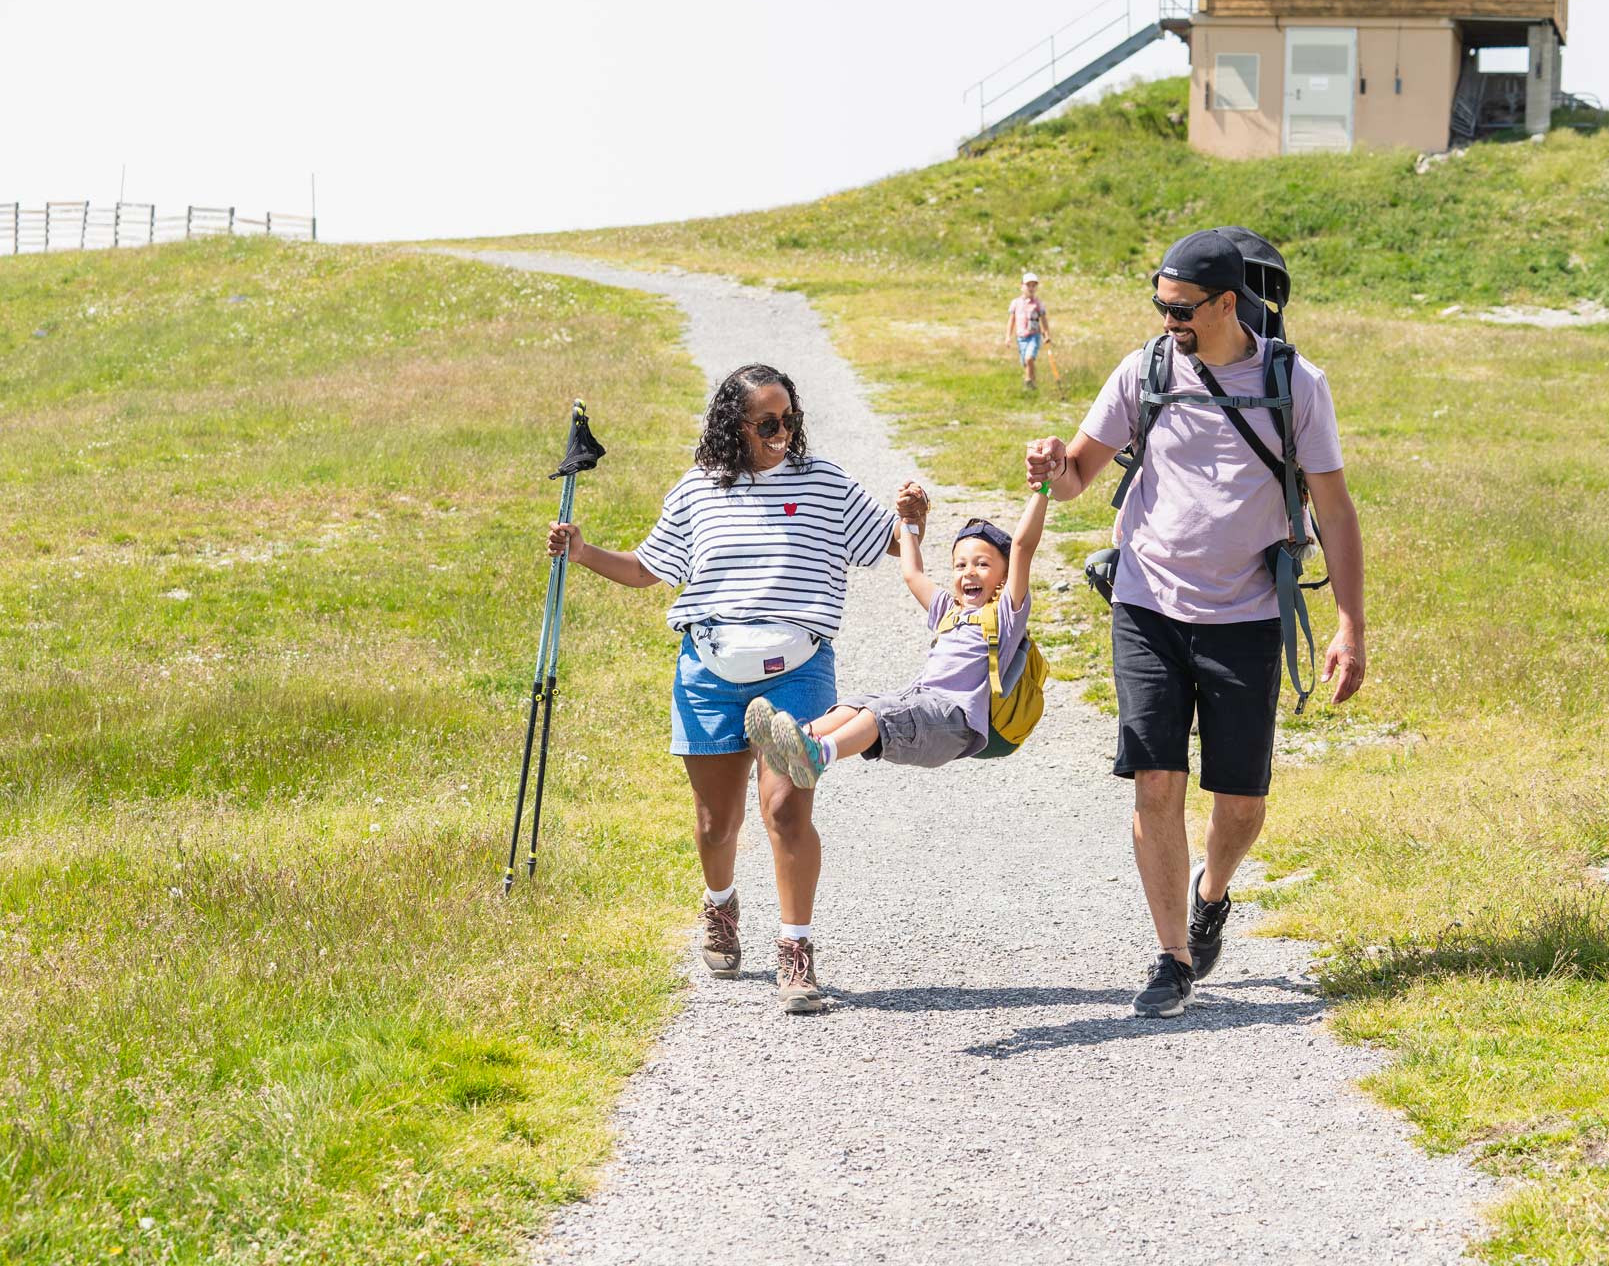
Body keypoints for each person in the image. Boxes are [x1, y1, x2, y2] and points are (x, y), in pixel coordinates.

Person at [1023, 229, 1367, 1019]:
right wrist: (1050, 463)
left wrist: (1350, 626)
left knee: (1241, 802)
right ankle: (1173, 956)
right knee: (1156, 781)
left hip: (1248, 612)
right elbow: (1077, 474)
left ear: (1225, 303)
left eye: (1181, 309)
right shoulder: (1143, 370)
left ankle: (1214, 893)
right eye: (1161, 306)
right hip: (1146, 602)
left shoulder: (1295, 383)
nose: (1168, 320)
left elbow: (1337, 511)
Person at [546, 362, 902, 1015]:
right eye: (768, 422)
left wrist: (923, 526)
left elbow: (892, 543)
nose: (784, 433)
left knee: (786, 810)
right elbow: (648, 569)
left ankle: (796, 955)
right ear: (733, 425)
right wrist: (583, 551)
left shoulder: (823, 483)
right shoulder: (697, 492)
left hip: (798, 668)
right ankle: (721, 907)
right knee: (718, 823)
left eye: (790, 419)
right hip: (709, 673)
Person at [748, 482, 1049, 787]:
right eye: (960, 565)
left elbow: (1023, 546)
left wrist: (1044, 488)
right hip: (923, 703)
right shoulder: (949, 610)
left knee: (879, 714)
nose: (969, 572)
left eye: (982, 564)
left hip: (955, 722)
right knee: (855, 705)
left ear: (1005, 576)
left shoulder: (1005, 615)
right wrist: (907, 525)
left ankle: (819, 755)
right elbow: (912, 573)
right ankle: (796, 741)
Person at [1005, 271, 1052, 390]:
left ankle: (1028, 382)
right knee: (1025, 362)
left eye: (1034, 285)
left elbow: (1043, 320)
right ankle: (1032, 383)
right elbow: (1012, 320)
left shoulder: (1038, 304)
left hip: (1034, 335)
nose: (1031, 288)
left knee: (1029, 358)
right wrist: (1008, 337)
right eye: (1028, 285)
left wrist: (1046, 334)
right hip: (1021, 337)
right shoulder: (1015, 303)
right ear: (1022, 286)